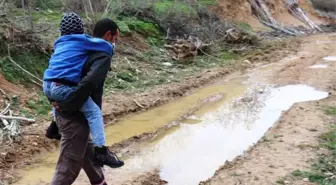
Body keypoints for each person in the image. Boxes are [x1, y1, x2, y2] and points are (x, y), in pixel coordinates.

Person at [43, 14, 124, 184]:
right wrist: (70, 103)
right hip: (73, 113)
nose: (115, 42)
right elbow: (89, 83)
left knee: (87, 153)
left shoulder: (64, 45)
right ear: (108, 35)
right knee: (68, 166)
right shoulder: (97, 51)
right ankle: (102, 151)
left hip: (49, 87)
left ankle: (54, 127)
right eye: (116, 38)